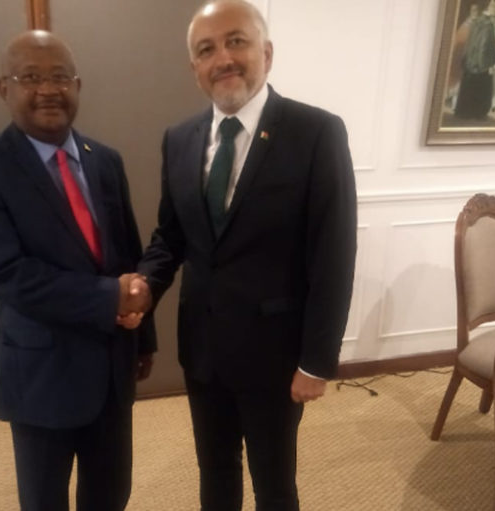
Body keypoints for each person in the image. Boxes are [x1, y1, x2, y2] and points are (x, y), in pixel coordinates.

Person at [136, 1, 357, 509]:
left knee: (274, 483)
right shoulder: (179, 139)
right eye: (206, 49)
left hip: (274, 353)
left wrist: (317, 361)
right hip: (203, 347)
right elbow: (170, 236)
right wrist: (145, 285)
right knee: (214, 470)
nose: (223, 59)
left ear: (267, 52)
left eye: (236, 41)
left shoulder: (316, 132)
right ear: (195, 68)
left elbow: (334, 255)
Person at [0, 30, 155, 511]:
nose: (48, 89)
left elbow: (128, 253)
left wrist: (143, 339)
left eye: (60, 77)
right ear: (4, 88)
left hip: (111, 366)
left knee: (111, 494)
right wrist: (110, 297)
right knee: (44, 501)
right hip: (42, 377)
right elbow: (9, 275)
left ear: (77, 85)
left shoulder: (105, 160)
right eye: (30, 77)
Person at [455, 1, 495, 119]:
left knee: (469, 87)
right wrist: (488, 65)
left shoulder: (477, 21)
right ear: (488, 7)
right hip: (481, 63)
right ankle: (477, 114)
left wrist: (468, 60)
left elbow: (470, 43)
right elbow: (484, 46)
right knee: (482, 88)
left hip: (471, 61)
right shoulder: (488, 25)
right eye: (494, 6)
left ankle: (464, 112)